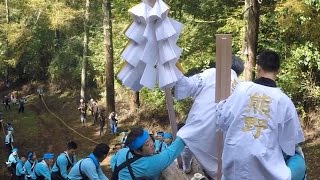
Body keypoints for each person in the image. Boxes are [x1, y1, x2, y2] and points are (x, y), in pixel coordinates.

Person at [215, 50, 305, 179]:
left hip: (233, 164)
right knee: (298, 159)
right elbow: (290, 143)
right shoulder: (284, 101)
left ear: (258, 67)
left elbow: (222, 120)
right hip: (265, 169)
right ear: (278, 70)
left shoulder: (242, 89)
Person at [176, 55, 244, 178]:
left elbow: (190, 85)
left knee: (187, 141)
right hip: (221, 131)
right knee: (216, 163)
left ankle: (186, 166)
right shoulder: (240, 86)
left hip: (200, 120)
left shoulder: (214, 73)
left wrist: (176, 74)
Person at [110, 127, 185, 180]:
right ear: (137, 151)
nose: (152, 144)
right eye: (147, 144)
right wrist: (187, 133)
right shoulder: (149, 164)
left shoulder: (123, 151)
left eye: (150, 139)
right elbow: (171, 152)